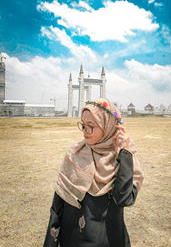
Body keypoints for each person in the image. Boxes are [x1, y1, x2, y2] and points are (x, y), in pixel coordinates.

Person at [44, 98, 144, 247]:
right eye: (83, 125)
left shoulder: (125, 155)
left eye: (91, 126)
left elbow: (123, 199)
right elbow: (57, 207)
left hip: (110, 239)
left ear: (110, 127)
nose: (85, 131)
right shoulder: (74, 153)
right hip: (73, 239)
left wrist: (124, 155)